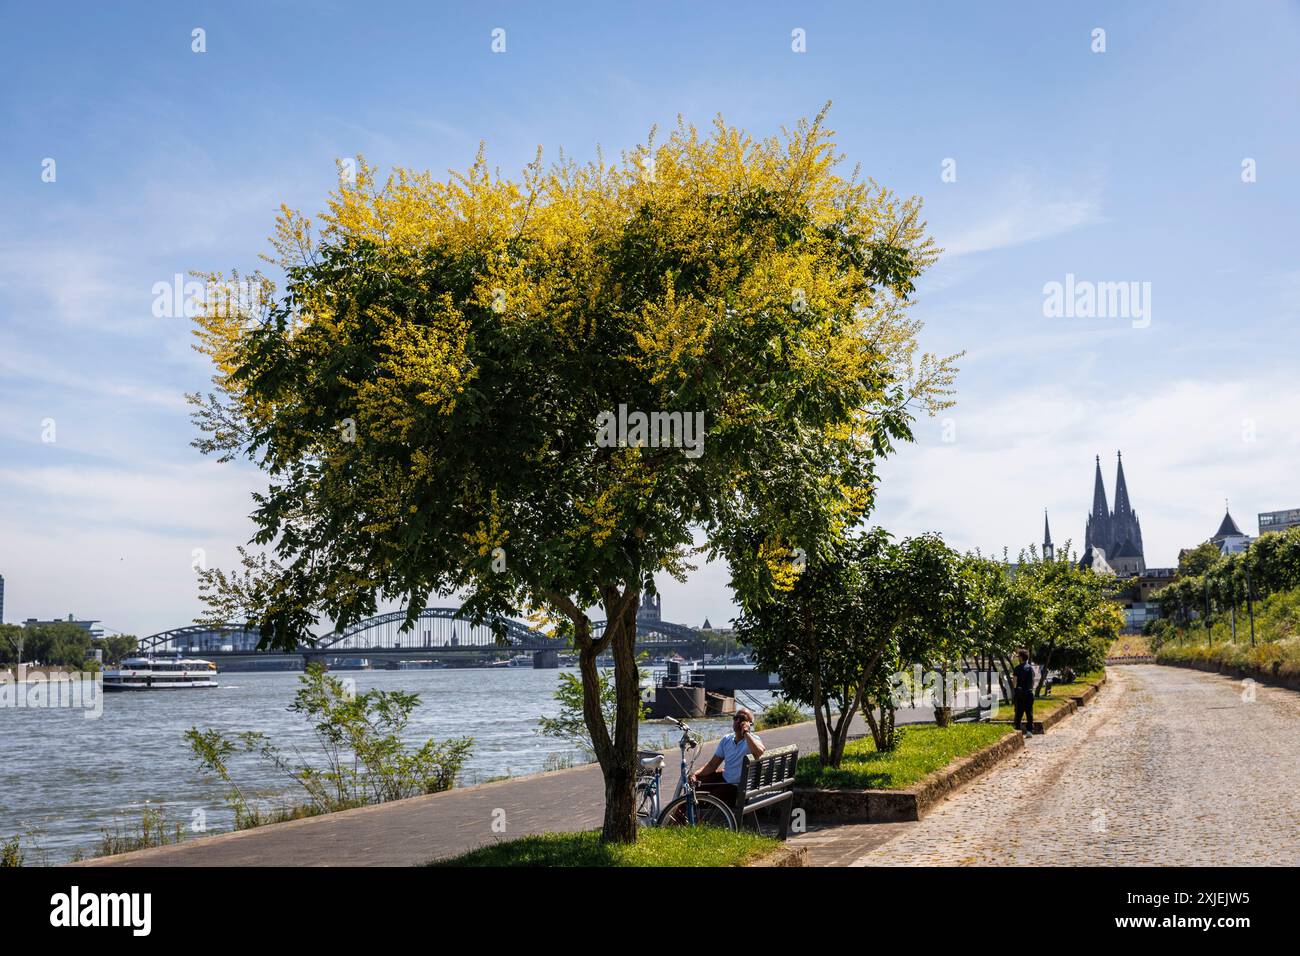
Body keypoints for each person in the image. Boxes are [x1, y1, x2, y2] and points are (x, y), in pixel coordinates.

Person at [687, 707, 765, 806]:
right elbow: (712, 765)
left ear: (749, 724)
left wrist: (746, 732)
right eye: (736, 717)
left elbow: (759, 752)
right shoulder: (727, 739)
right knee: (695, 787)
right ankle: (678, 817)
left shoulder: (752, 740)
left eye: (742, 719)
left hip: (738, 787)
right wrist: (695, 774)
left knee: (708, 799)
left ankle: (695, 818)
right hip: (725, 779)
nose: (737, 721)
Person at [1012, 649, 1035, 737]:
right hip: (1029, 693)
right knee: (1029, 712)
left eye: (1018, 656)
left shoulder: (1017, 668)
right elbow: (1032, 682)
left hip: (1019, 693)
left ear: (1021, 658)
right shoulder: (1030, 668)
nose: (1018, 658)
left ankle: (1018, 730)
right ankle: (1029, 731)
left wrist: (1015, 691)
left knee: (1018, 712)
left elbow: (1014, 682)